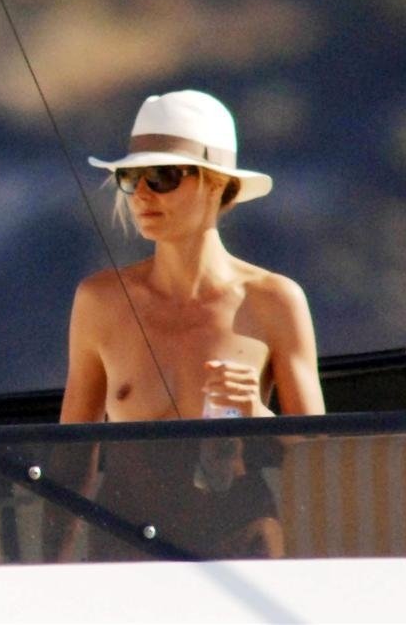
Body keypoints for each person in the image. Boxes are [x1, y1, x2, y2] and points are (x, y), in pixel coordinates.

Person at [55, 89, 324, 561]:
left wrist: (257, 414)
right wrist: (44, 576)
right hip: (125, 555)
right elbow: (71, 460)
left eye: (162, 176)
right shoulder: (99, 301)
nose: (142, 193)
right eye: (130, 177)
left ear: (217, 183)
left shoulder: (275, 301)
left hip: (242, 550)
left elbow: (321, 456)